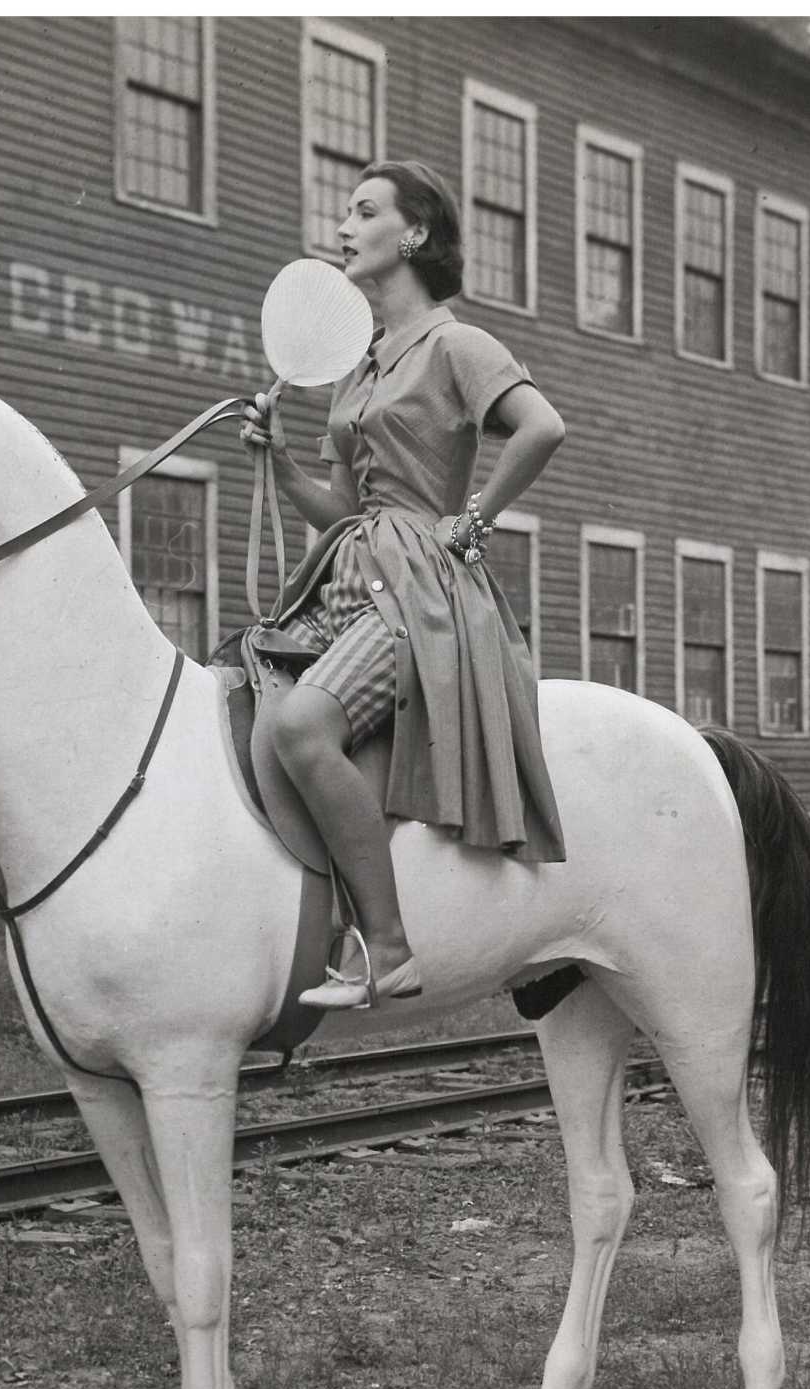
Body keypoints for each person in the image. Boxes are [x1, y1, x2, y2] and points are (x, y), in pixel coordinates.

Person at [240, 159, 567, 1010]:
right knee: (243, 691)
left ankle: (387, 947)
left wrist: (475, 520)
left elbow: (542, 427)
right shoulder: (358, 366)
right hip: (348, 570)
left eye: (364, 212)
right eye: (345, 213)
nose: (343, 226)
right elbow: (340, 505)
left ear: (412, 234)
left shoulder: (458, 344)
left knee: (306, 725)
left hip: (422, 587)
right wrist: (278, 460)